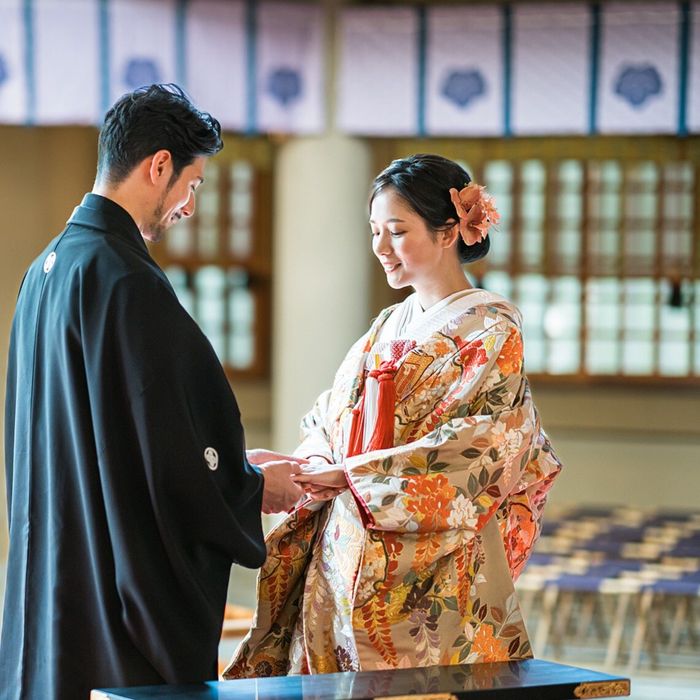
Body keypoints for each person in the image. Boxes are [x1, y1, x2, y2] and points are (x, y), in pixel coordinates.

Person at [0, 84, 303, 699]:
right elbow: (166, 450)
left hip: (56, 572)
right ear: (157, 165)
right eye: (191, 184)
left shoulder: (46, 269)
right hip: (108, 602)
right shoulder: (123, 279)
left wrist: (238, 469)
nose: (188, 205)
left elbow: (121, 434)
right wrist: (246, 487)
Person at [225, 154, 562, 677]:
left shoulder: (491, 329)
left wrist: (357, 475)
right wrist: (315, 460)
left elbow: (486, 443)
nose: (381, 247)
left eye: (398, 231)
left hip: (429, 565)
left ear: (449, 231)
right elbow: (329, 413)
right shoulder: (389, 323)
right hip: (345, 546)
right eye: (375, 231)